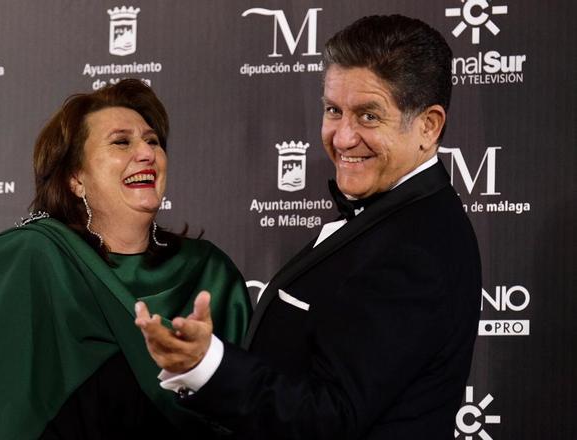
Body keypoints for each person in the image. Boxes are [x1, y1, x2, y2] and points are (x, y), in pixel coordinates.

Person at [135, 15, 481, 439]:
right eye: (334, 111)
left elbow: (328, 417)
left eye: (369, 116)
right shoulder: (393, 219)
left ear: (428, 126)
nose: (343, 137)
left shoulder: (415, 248)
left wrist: (208, 366)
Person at [0, 79, 251, 439]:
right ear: (75, 178)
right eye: (121, 142)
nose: (146, 153)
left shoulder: (210, 273)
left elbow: (250, 410)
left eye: (152, 141)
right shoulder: (35, 262)